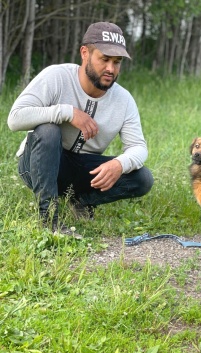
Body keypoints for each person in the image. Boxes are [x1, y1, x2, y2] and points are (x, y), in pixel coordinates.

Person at [7, 22, 154, 238]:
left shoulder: (124, 100)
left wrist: (119, 164)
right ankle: (49, 220)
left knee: (142, 178)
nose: (111, 69)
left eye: (117, 62)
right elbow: (15, 118)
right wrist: (67, 112)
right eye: (104, 59)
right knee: (48, 130)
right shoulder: (56, 77)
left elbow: (138, 147)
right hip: (38, 162)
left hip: (81, 167)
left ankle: (81, 201)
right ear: (85, 53)